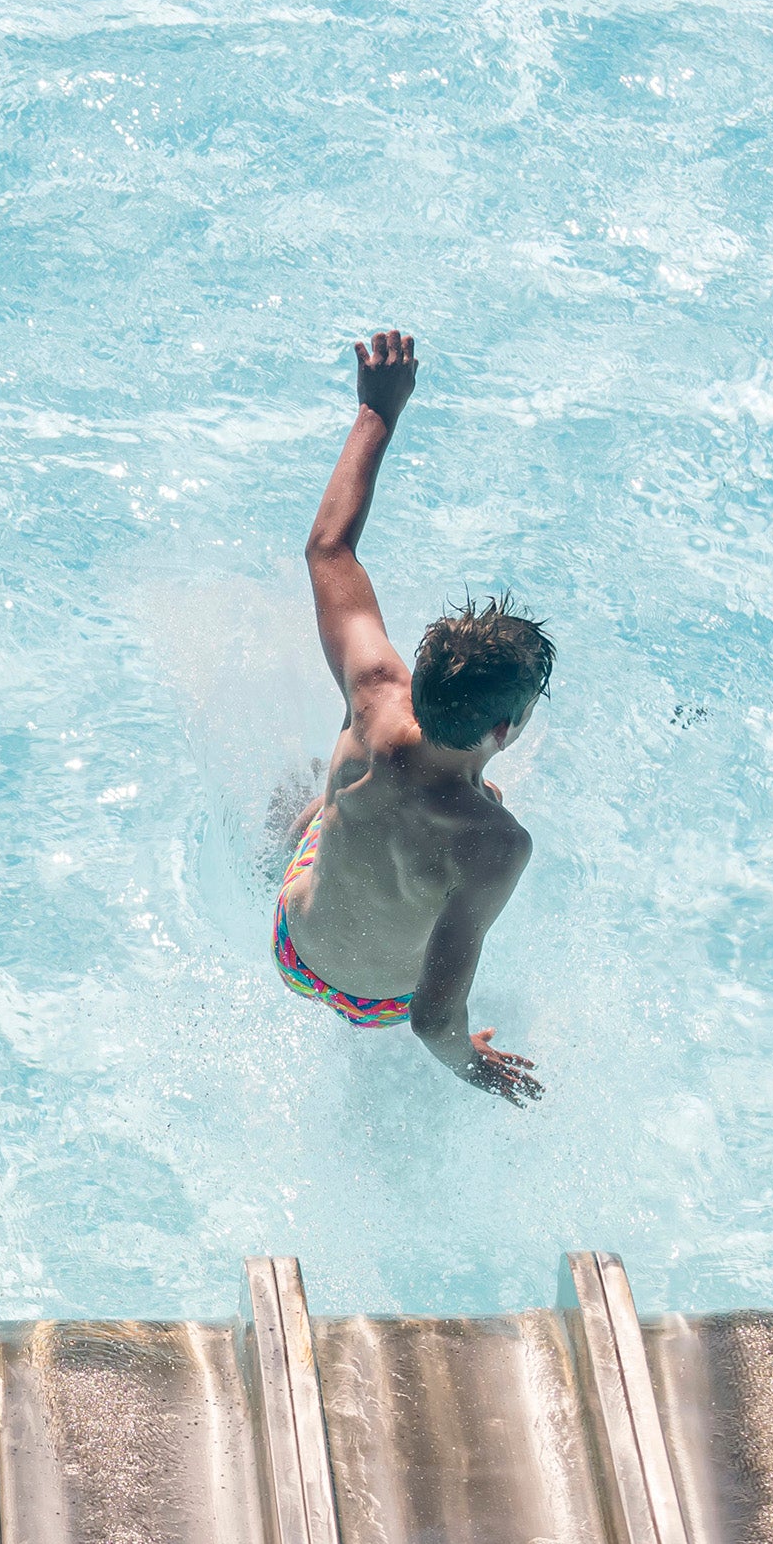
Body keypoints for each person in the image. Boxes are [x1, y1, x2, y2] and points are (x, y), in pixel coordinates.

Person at [275, 329, 554, 1101]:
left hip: (294, 948)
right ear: (504, 731)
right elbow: (433, 1019)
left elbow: (329, 549)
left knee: (314, 801)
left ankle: (286, 837)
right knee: (484, 801)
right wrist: (479, 1067)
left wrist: (377, 412)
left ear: (419, 673)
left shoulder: (373, 690)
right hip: (377, 1003)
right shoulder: (496, 847)